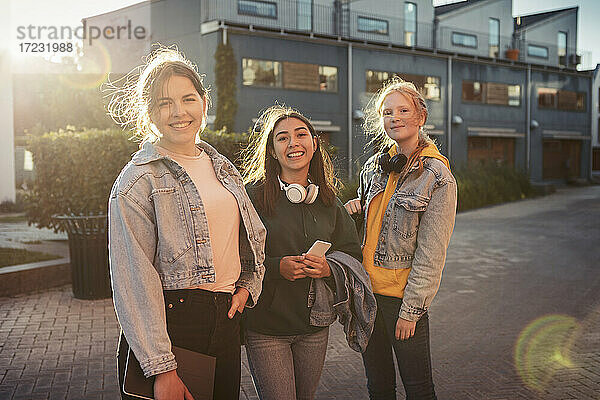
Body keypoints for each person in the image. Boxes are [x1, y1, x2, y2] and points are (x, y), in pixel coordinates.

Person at [106, 47, 266, 400]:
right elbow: (133, 279)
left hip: (225, 320)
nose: (179, 112)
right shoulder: (136, 181)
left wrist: (247, 285)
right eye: (164, 103)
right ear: (149, 113)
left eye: (188, 99)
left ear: (204, 103)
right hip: (174, 326)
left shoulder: (222, 167)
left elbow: (251, 236)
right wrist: (162, 367)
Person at [241, 105, 374, 400]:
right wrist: (277, 268)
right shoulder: (251, 197)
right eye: (282, 138)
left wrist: (328, 269)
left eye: (301, 135)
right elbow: (234, 255)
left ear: (314, 144)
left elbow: (352, 253)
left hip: (315, 326)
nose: (293, 143)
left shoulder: (329, 201)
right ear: (273, 151)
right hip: (266, 327)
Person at [345, 76, 457, 400]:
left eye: (403, 110)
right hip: (366, 295)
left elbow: (431, 253)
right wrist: (356, 210)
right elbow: (369, 233)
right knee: (378, 388)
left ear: (420, 116)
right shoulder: (374, 168)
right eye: (387, 112)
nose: (394, 118)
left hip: (401, 301)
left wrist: (412, 309)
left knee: (419, 390)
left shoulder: (438, 177)